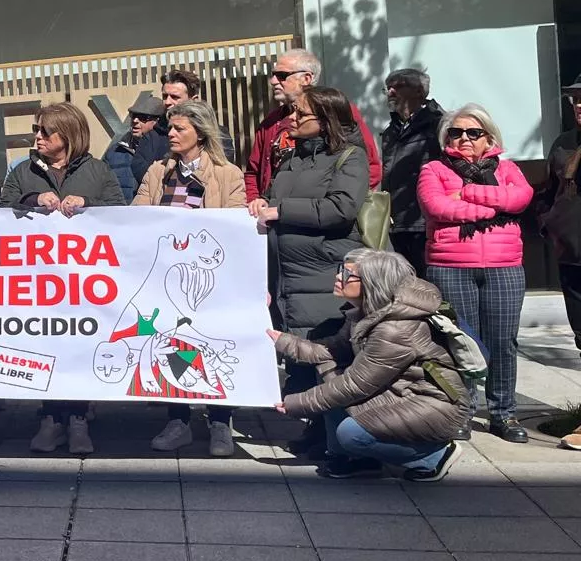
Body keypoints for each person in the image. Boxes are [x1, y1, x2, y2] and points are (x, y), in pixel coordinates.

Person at [272, 249, 469, 481]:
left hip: (431, 404)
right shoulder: (368, 311)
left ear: (372, 283)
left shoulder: (394, 328)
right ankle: (351, 458)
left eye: (347, 274)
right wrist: (281, 341)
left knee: (351, 434)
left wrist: (296, 403)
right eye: (341, 270)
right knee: (326, 367)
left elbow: (355, 385)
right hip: (399, 394)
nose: (338, 277)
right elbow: (331, 350)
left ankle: (434, 456)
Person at [249, 87, 369, 457]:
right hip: (289, 276)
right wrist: (261, 202)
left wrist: (281, 210)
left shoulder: (350, 157)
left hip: (324, 272)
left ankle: (345, 444)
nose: (292, 118)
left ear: (326, 119)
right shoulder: (292, 158)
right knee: (302, 354)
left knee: (331, 358)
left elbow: (342, 208)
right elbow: (273, 199)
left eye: (301, 113)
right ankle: (320, 431)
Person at [3, 102, 124, 455]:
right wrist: (32, 198)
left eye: (45, 131)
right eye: (36, 130)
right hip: (38, 280)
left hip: (83, 281)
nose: (37, 137)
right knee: (46, 344)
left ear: (67, 135)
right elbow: (2, 207)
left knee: (80, 345)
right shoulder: (24, 170)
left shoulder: (98, 170)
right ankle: (51, 417)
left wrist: (87, 202)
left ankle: (78, 417)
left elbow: (120, 211)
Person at [132, 101, 247, 457]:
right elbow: (136, 216)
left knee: (213, 344)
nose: (171, 134)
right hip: (167, 280)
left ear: (201, 132)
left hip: (212, 281)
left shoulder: (228, 174)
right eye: (170, 128)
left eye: (180, 128)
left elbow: (236, 226)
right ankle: (178, 420)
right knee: (172, 345)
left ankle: (219, 422)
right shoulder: (157, 172)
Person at [418, 104, 533, 443]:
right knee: (459, 342)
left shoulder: (508, 168)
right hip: (450, 267)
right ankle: (461, 411)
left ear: (489, 137)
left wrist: (467, 193)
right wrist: (496, 204)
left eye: (473, 132)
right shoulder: (434, 169)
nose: (464, 138)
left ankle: (503, 413)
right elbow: (437, 207)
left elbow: (521, 198)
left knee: (503, 342)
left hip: (504, 266)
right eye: (456, 132)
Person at [245, 48, 381, 202]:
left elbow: (370, 166)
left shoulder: (337, 112)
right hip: (273, 211)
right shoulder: (270, 122)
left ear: (306, 78)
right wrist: (255, 203)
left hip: (323, 211)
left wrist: (340, 203)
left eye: (282, 75)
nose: (273, 81)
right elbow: (253, 172)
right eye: (273, 75)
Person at [380, 69, 444, 274]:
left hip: (426, 223)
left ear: (419, 91)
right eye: (388, 87)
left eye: (398, 86)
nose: (390, 92)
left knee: (430, 285)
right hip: (398, 223)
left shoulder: (439, 125)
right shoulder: (391, 130)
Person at [536, 79, 581, 365]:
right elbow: (549, 190)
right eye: (576, 100)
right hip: (571, 249)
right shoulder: (564, 143)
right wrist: (548, 223)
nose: (579, 105)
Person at [159, 68, 237, 162]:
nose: (167, 102)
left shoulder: (216, 135)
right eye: (165, 96)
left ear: (193, 99)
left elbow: (222, 166)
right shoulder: (153, 134)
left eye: (175, 97)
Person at [103, 91, 168, 203]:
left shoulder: (167, 150)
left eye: (143, 117)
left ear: (157, 121)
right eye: (133, 116)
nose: (135, 121)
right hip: (121, 212)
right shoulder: (114, 152)